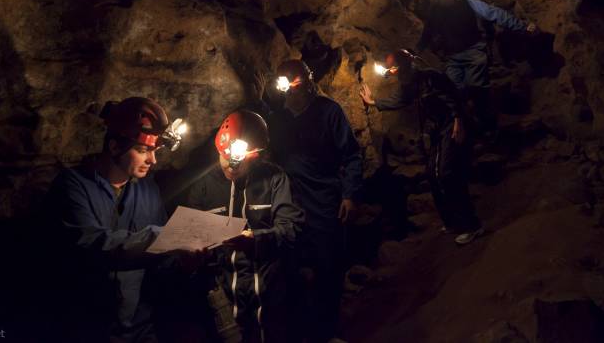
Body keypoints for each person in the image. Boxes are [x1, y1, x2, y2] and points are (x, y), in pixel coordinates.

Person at [44, 97, 188, 342]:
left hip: (139, 329)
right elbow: (91, 245)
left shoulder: (148, 191)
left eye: (154, 151)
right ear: (114, 147)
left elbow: (161, 263)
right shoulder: (72, 186)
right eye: (143, 151)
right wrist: (162, 238)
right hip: (86, 329)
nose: (152, 160)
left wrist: (186, 261)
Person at [186, 109, 304, 343]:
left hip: (269, 295)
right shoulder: (203, 187)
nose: (231, 167)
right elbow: (190, 237)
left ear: (257, 155)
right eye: (226, 160)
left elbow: (292, 229)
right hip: (224, 299)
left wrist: (256, 239)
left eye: (239, 164)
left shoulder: (275, 179)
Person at [266, 59, 363, 343]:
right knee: (291, 267)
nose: (294, 90)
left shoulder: (328, 111)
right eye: (287, 84)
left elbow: (352, 155)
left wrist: (349, 194)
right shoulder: (277, 118)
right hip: (288, 200)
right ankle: (301, 331)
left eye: (298, 82)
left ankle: (328, 330)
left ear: (308, 82)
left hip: (323, 198)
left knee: (328, 266)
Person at [360, 50, 483, 245]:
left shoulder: (430, 76)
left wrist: (459, 121)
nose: (390, 72)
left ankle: (471, 225)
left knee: (446, 173)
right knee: (433, 175)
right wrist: (374, 102)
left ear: (403, 65)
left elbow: (454, 95)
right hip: (436, 129)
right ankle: (452, 222)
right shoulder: (409, 84)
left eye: (392, 67)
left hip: (450, 125)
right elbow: (400, 99)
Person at [418, 0, 537, 137]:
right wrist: (415, 52)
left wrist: (521, 26)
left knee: (478, 89)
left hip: (474, 51)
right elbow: (426, 35)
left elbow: (492, 13)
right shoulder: (435, 12)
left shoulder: (466, 1)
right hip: (452, 57)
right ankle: (460, 131)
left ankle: (487, 128)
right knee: (453, 91)